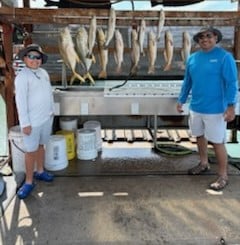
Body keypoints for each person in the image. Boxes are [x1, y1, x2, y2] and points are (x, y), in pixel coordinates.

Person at [176, 27, 238, 191]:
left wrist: (231, 106)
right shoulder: (193, 58)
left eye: (208, 36)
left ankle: (223, 175)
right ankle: (203, 164)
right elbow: (187, 82)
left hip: (216, 110)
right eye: (201, 37)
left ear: (216, 38)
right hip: (196, 107)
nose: (204, 39)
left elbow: (232, 83)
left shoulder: (225, 57)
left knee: (218, 142)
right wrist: (181, 100)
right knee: (199, 137)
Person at [14, 44, 54, 199]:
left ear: (41, 60)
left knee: (41, 146)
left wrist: (51, 112)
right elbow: (20, 102)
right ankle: (29, 182)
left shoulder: (43, 73)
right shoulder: (22, 77)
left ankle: (40, 171)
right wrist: (25, 123)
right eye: (31, 57)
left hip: (45, 118)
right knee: (30, 152)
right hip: (32, 122)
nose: (34, 60)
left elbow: (48, 93)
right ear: (25, 58)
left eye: (37, 57)